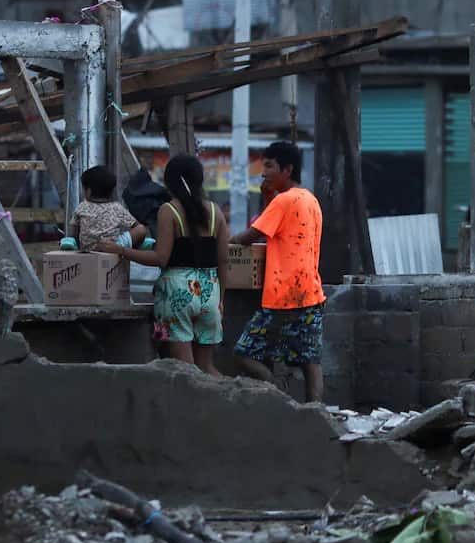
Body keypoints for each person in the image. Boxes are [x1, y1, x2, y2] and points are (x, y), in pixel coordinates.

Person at [109, 155, 229, 375]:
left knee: (186, 371)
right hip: (210, 292)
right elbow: (223, 260)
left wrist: (122, 251)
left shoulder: (169, 210)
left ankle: (190, 409)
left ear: (170, 182)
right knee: (206, 367)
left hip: (177, 293)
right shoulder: (215, 212)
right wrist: (221, 298)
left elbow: (160, 258)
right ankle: (228, 405)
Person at [230, 141, 326, 403]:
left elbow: (253, 234)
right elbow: (282, 229)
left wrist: (227, 243)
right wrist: (267, 198)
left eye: (269, 166)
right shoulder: (310, 199)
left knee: (243, 353)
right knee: (310, 361)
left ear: (287, 169)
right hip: (310, 293)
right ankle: (317, 412)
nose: (264, 173)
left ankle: (277, 391)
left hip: (282, 295)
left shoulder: (283, 200)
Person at [70, 166, 147, 251]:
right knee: (141, 229)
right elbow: (136, 226)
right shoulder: (117, 208)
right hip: (112, 248)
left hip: (87, 249)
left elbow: (74, 231)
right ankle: (132, 246)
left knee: (71, 239)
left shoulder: (82, 207)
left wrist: (78, 246)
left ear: (88, 191)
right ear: (111, 191)